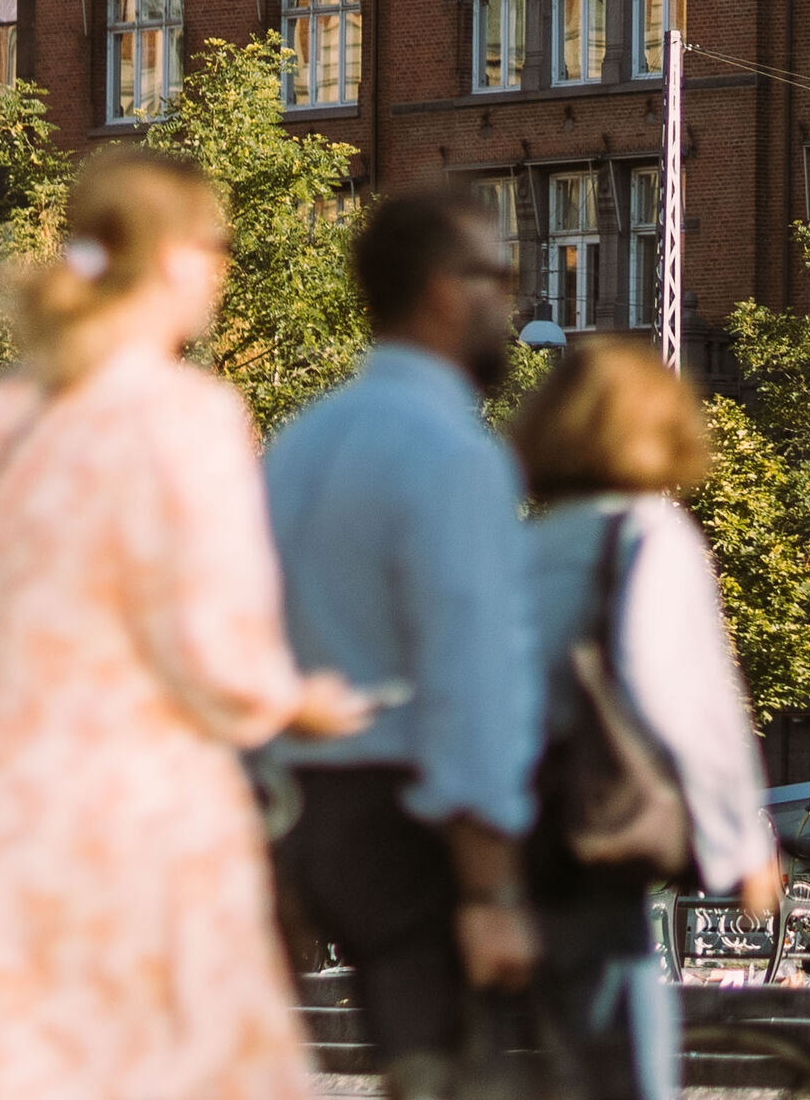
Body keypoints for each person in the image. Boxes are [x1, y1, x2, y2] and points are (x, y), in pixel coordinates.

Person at [0, 148, 372, 1099]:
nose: (222, 270)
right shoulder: (184, 418)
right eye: (216, 246)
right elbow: (221, 652)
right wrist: (303, 703)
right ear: (174, 257)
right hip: (135, 826)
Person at [267, 193, 546, 1097]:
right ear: (441, 292)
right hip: (413, 827)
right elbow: (469, 681)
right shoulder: (452, 453)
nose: (512, 296)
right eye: (496, 276)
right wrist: (492, 894)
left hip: (305, 814)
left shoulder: (298, 447)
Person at [512, 335, 780, 1099]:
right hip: (595, 840)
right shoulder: (646, 535)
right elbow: (686, 701)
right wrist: (740, 847)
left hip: (512, 845)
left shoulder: (530, 542)